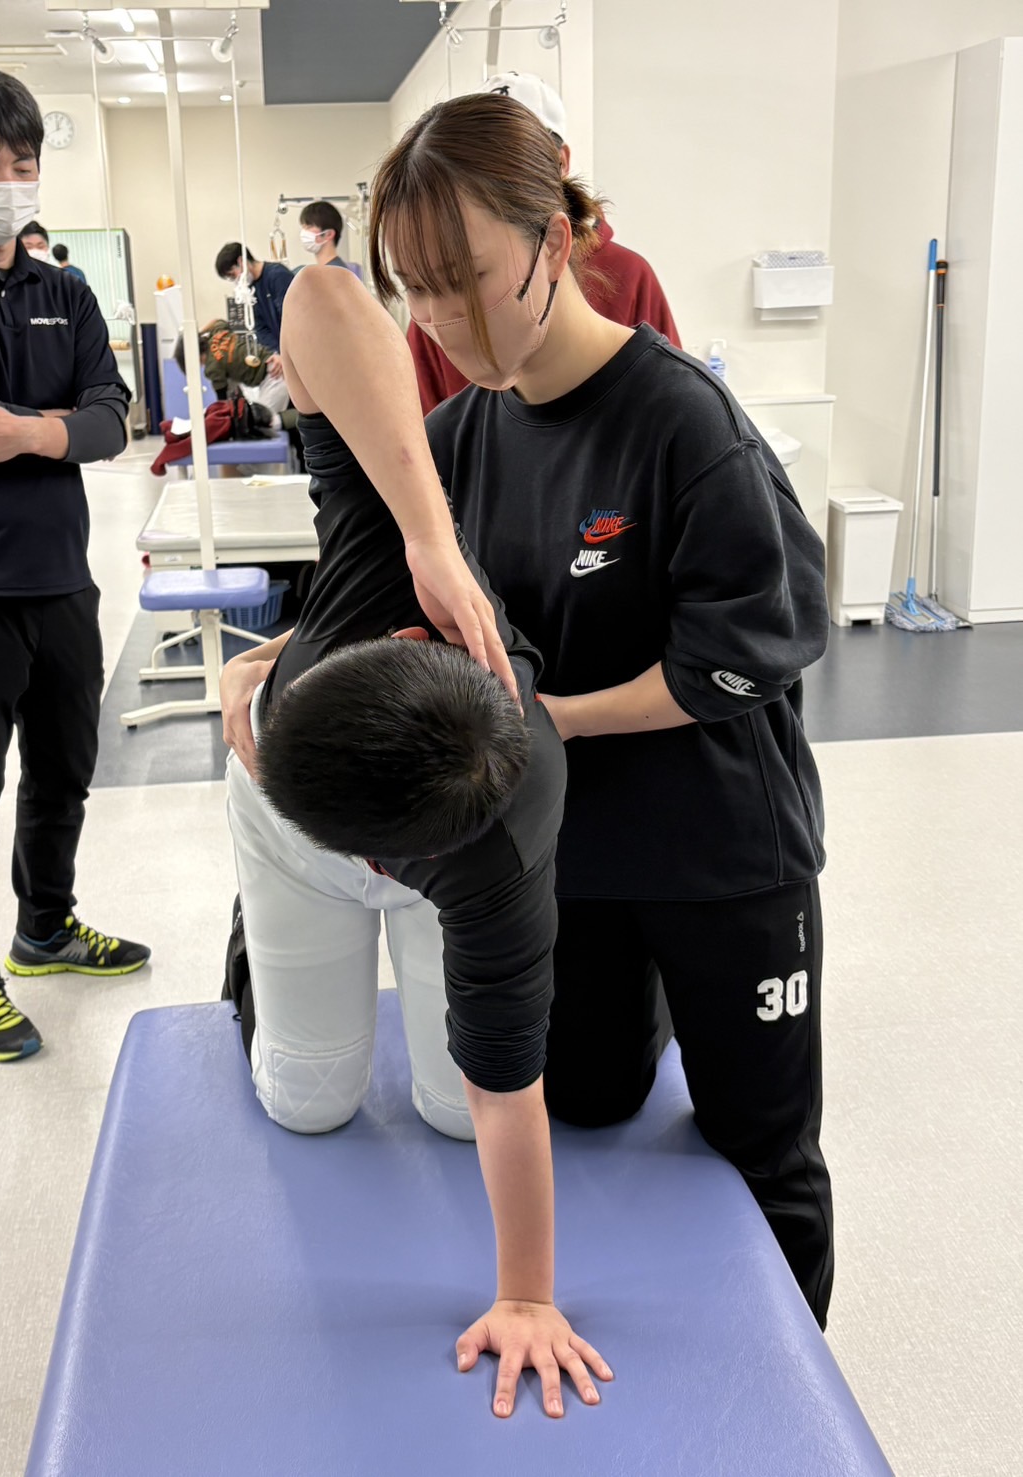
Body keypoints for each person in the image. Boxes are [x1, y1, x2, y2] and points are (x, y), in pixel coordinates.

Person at [362, 92, 835, 1329]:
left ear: (553, 243)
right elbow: (386, 604)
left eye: (464, 280)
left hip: (723, 852)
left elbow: (750, 648)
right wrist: (271, 664)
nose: (439, 321)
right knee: (589, 1102)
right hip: (571, 854)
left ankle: (788, 1388)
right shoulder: (456, 439)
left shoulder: (683, 422)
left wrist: (553, 721)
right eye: (414, 288)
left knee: (759, 1145)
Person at [221, 266, 612, 1421]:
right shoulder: (387, 545)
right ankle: (253, 954)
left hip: (422, 859)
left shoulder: (500, 859)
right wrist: (428, 536)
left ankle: (352, 901)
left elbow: (508, 1094)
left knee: (451, 1108)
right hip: (281, 833)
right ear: (400, 637)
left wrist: (526, 1296)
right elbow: (323, 296)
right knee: (309, 1101)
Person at [0, 64, 150, 1063]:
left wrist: (27, 430)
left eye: (22, 164)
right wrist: (58, 427)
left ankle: (45, 927)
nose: (8, 182)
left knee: (64, 774)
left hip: (62, 577)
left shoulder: (67, 290)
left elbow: (114, 419)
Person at [407, 73, 682, 415]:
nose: (500, 181)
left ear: (561, 162)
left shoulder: (629, 273)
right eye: (480, 164)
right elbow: (420, 419)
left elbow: (667, 390)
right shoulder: (438, 296)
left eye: (517, 159)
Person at [173, 319, 292, 421]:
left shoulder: (211, 368)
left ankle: (295, 417)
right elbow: (218, 321)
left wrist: (222, 418)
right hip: (272, 361)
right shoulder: (218, 333)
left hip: (273, 375)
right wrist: (197, 334)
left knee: (264, 421)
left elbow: (222, 398)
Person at [214, 241, 293, 380]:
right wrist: (277, 352)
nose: (236, 281)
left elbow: (292, 320)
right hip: (284, 355)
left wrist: (285, 354)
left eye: (233, 275)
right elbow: (260, 328)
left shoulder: (277, 276)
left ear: (241, 261)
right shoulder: (251, 290)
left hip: (299, 349)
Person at [297, 200, 351, 270]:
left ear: (329, 234)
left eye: (309, 227)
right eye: (303, 227)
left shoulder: (335, 272)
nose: (304, 232)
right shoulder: (326, 270)